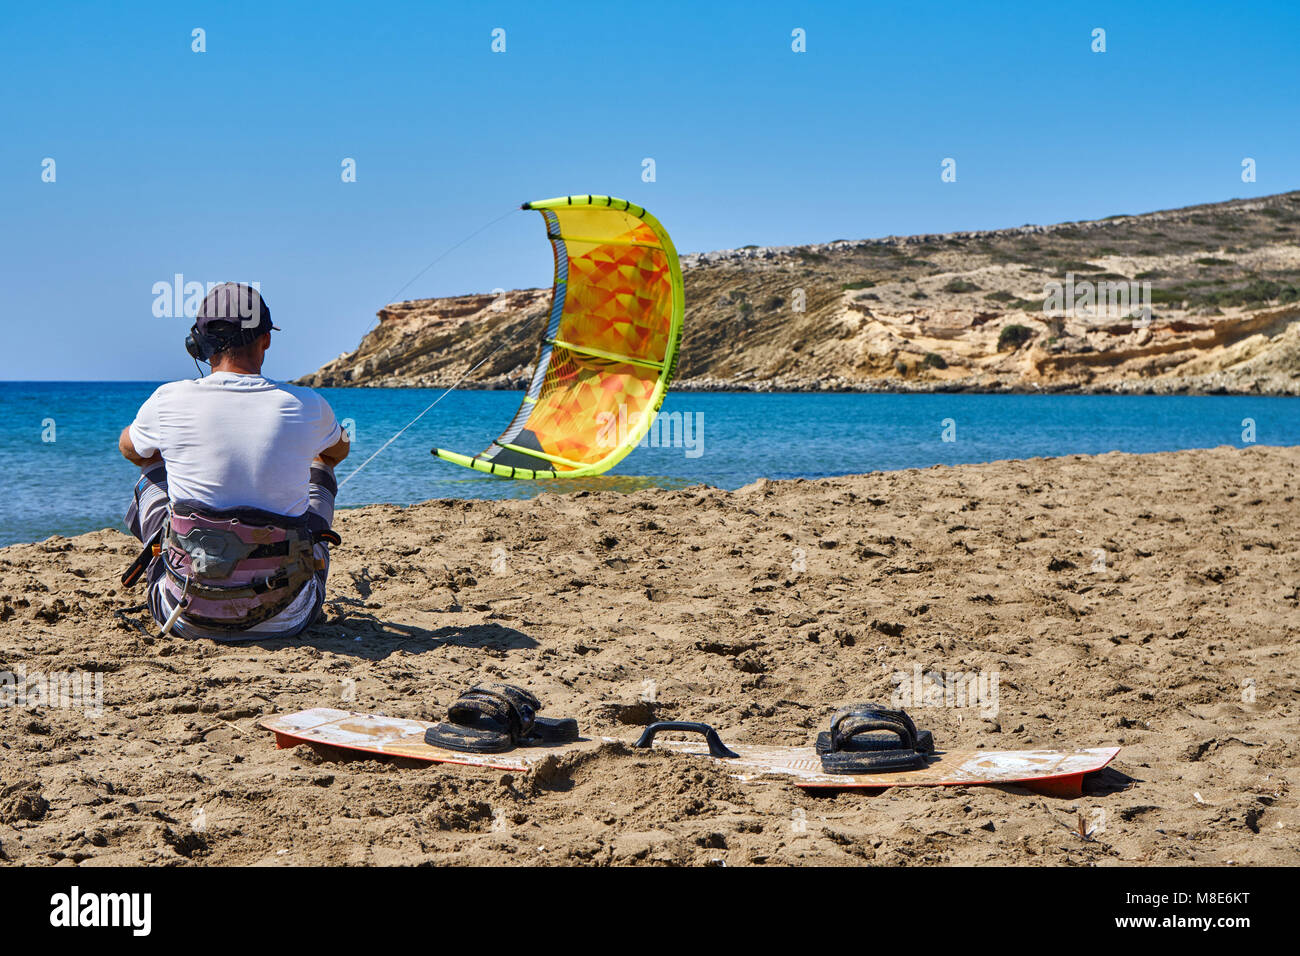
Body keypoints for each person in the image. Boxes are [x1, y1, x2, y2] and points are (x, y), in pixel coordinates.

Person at [118, 283, 349, 640]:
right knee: (321, 465)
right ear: (266, 339)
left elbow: (130, 449)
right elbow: (337, 451)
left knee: (152, 471)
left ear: (197, 344)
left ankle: (178, 569)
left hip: (182, 615)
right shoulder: (307, 404)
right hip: (288, 615)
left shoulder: (167, 399)